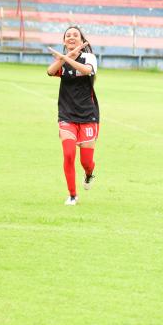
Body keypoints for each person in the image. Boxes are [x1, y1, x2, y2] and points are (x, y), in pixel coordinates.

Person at [47, 26, 99, 206]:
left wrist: (65, 57)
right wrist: (64, 58)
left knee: (87, 161)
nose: (71, 37)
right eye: (68, 35)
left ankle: (89, 174)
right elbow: (50, 71)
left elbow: (86, 71)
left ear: (81, 39)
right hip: (67, 114)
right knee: (69, 154)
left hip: (88, 115)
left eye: (75, 35)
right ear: (63, 41)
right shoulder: (62, 61)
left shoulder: (89, 58)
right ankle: (72, 195)